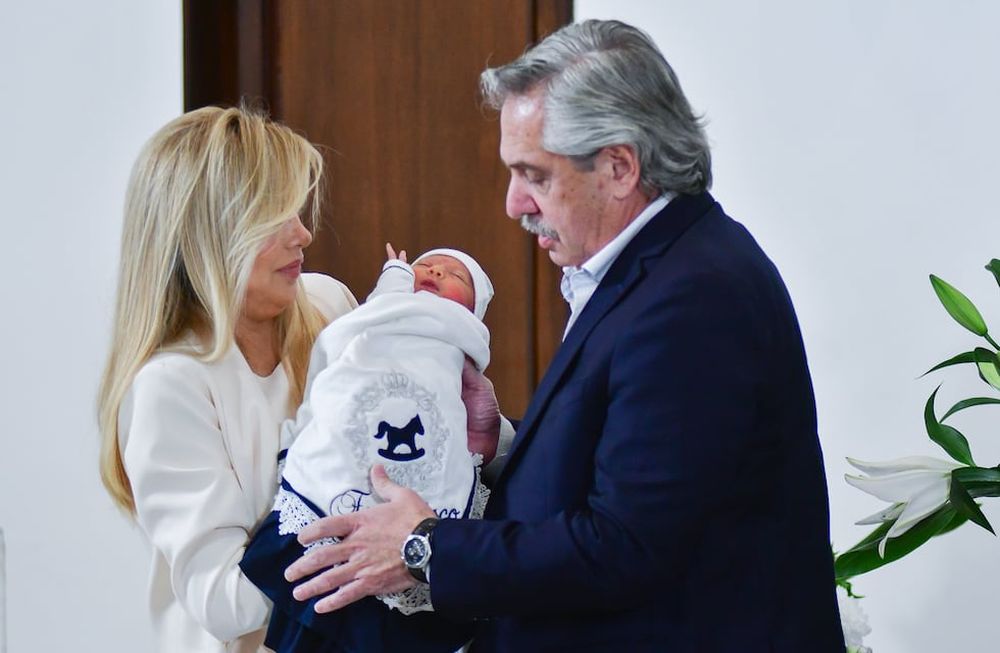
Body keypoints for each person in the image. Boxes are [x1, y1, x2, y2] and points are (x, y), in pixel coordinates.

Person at [284, 19, 846, 652]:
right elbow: (620, 467)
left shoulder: (695, 297)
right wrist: (496, 443)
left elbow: (625, 545)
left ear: (619, 167)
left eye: (536, 176)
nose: (514, 204)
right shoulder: (668, 264)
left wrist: (424, 547)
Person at [97, 106, 358, 652]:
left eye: (297, 209)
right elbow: (225, 601)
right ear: (206, 233)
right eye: (275, 216)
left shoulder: (329, 305)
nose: (303, 233)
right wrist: (355, 523)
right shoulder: (171, 386)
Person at [240, 245, 495, 652]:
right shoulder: (384, 311)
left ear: (474, 311)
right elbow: (373, 311)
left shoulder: (457, 335)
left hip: (418, 465)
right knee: (316, 594)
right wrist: (395, 271)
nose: (435, 272)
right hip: (355, 450)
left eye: (455, 276)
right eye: (424, 266)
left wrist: (482, 438)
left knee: (397, 611)